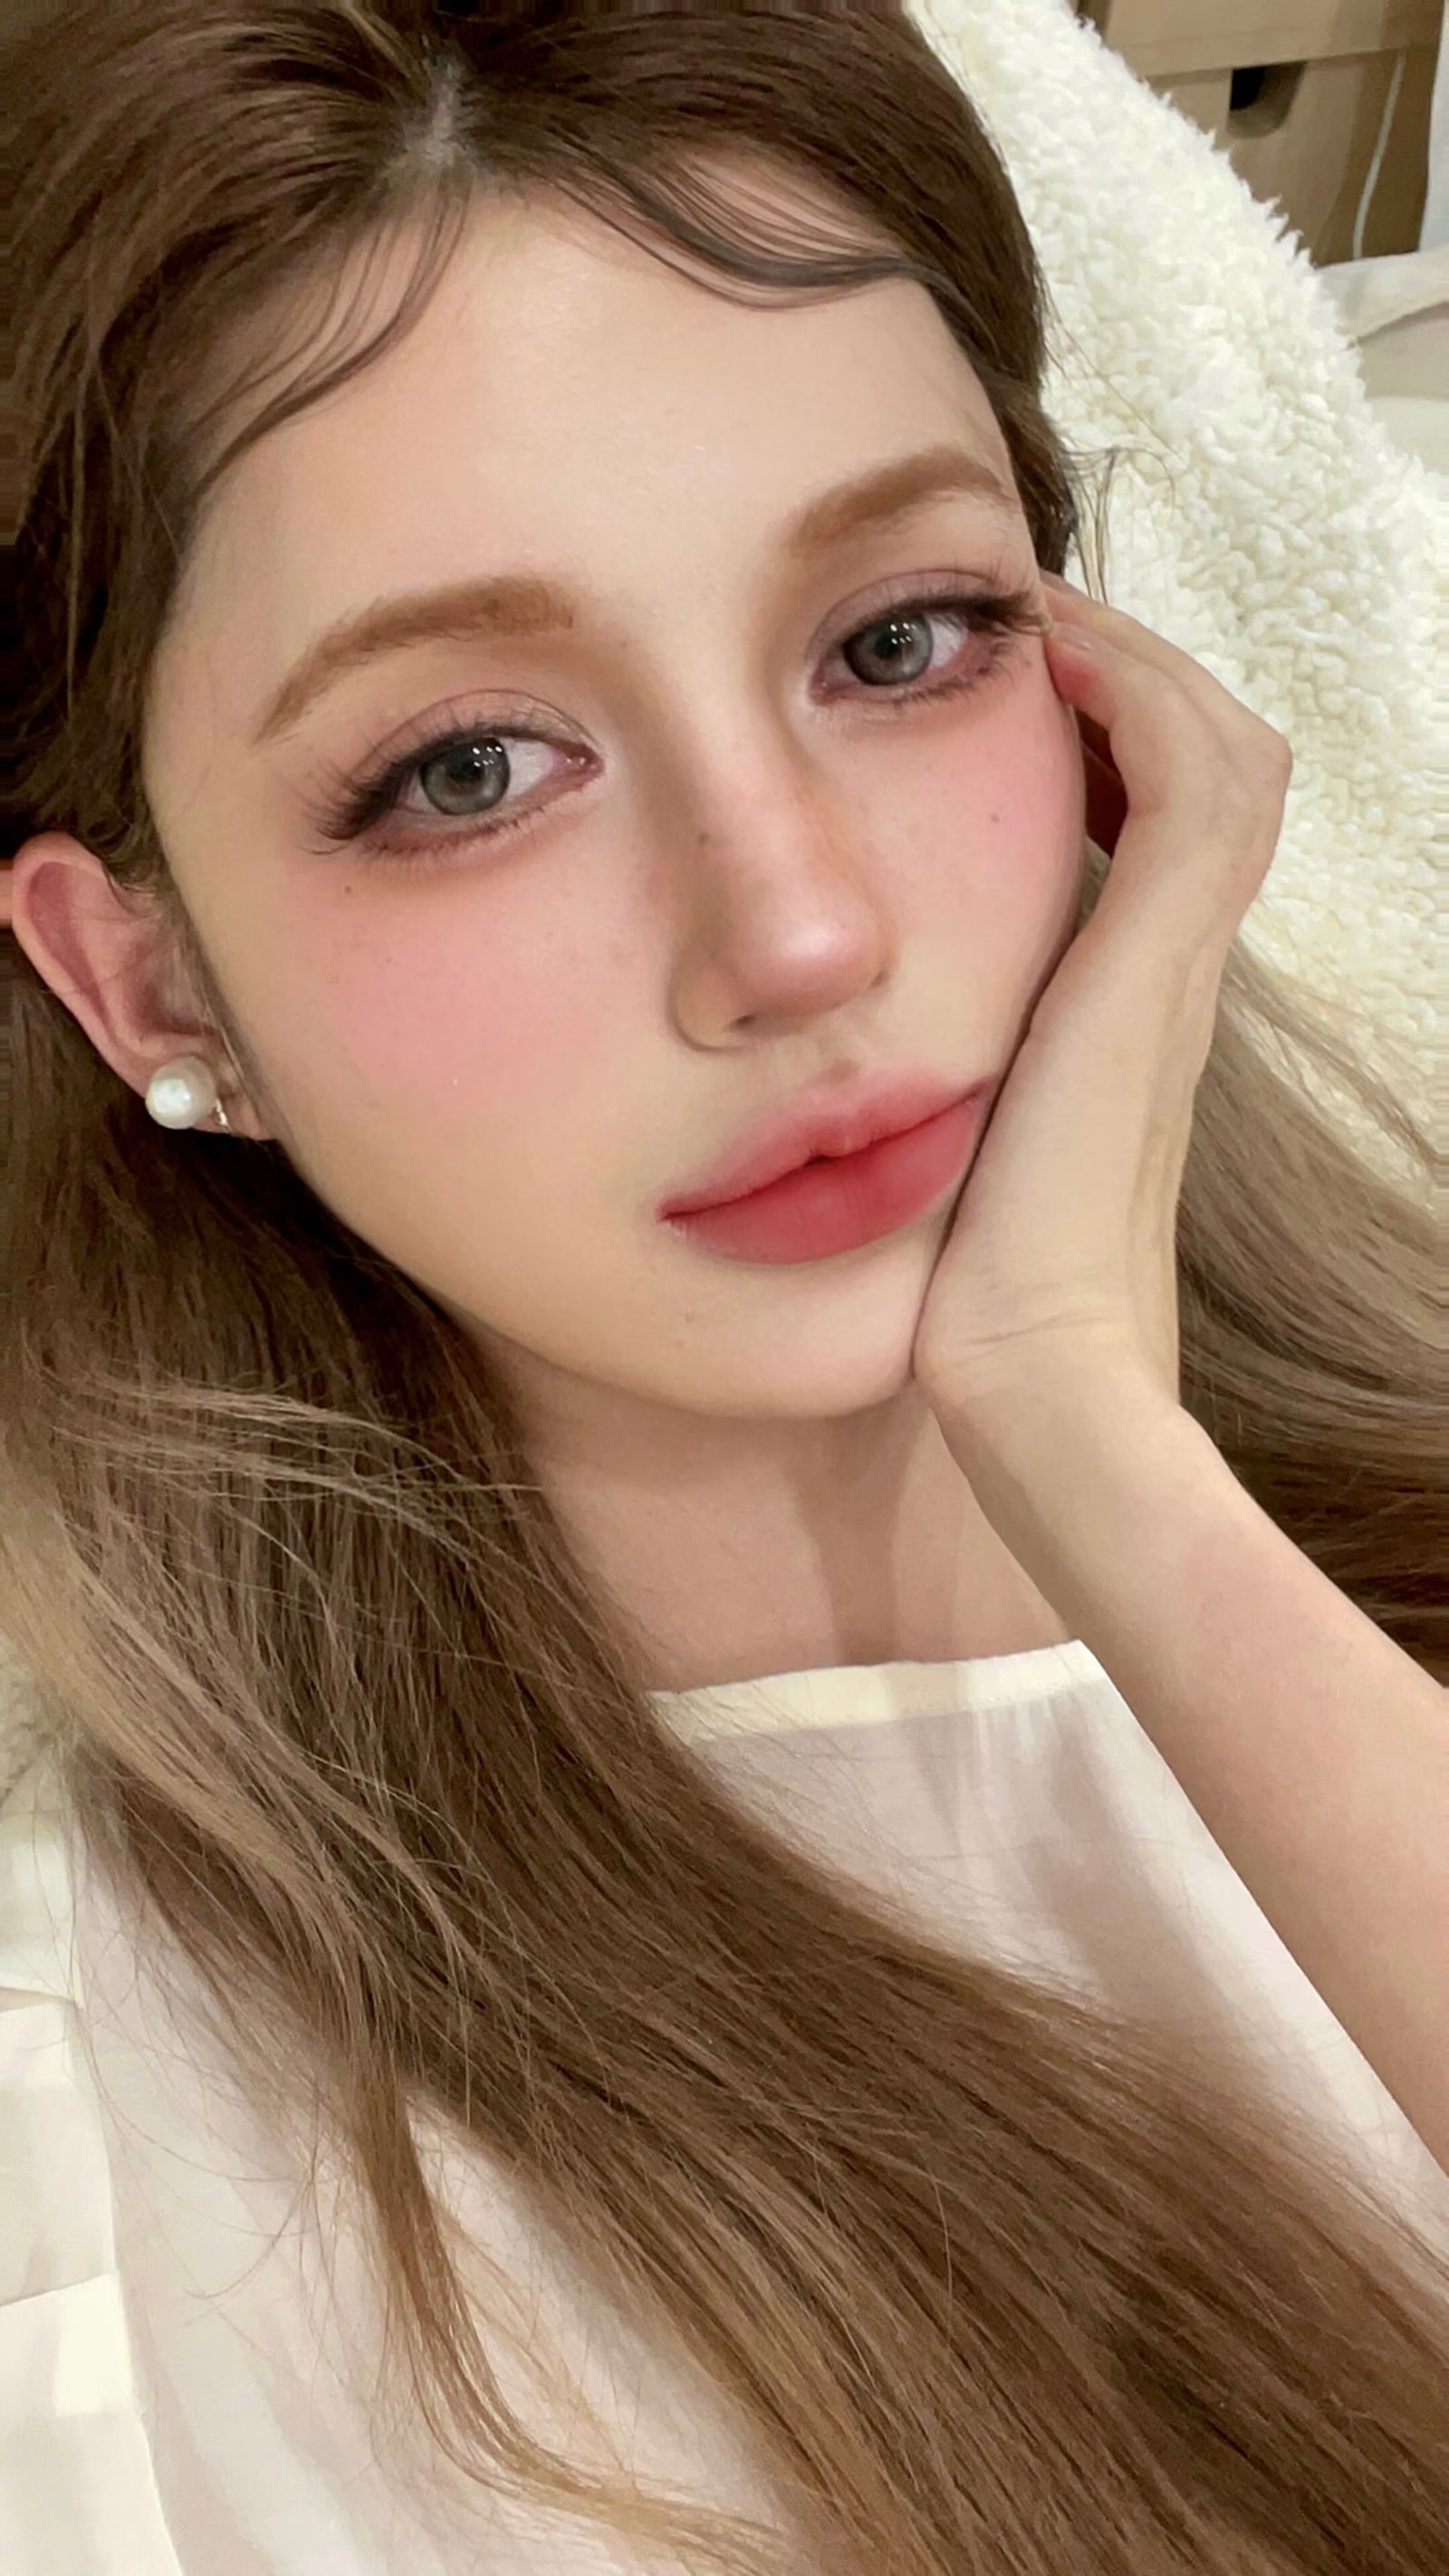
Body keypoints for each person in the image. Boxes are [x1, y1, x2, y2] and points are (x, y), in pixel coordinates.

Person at [2, 7, 1445, 2573]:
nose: (797, 928)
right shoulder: (107, 2187)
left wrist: (1105, 1455)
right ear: (148, 978)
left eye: (900, 640)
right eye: (465, 769)